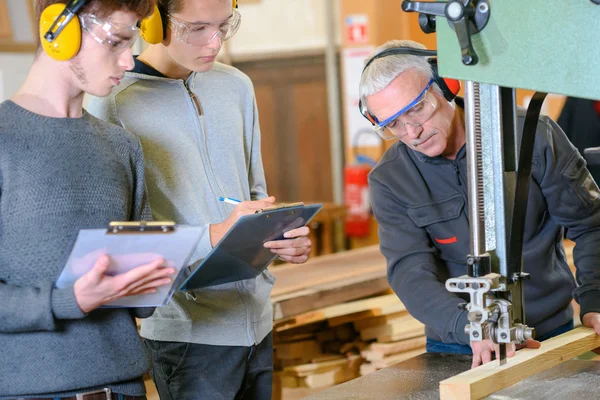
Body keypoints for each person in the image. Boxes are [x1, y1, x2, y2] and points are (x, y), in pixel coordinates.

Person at [87, 0, 312, 398]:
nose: (214, 42)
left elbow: (254, 194)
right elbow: (119, 240)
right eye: (197, 28)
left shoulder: (236, 86)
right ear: (154, 22)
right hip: (187, 336)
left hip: (257, 323)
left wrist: (281, 236)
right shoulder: (114, 104)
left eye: (225, 25)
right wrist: (213, 233)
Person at [359, 40, 600, 369]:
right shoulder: (390, 179)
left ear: (446, 85)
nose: (411, 132)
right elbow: (409, 272)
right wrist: (469, 329)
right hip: (457, 345)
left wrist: (594, 298)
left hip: (551, 333)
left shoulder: (533, 136)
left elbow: (590, 225)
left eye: (416, 109)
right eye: (393, 124)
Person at [0, 0, 178, 398]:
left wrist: (163, 275)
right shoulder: (3, 142)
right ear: (60, 31)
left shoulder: (122, 146)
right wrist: (70, 300)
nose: (128, 62)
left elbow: (142, 302)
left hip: (126, 389)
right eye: (115, 42)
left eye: (130, 44)